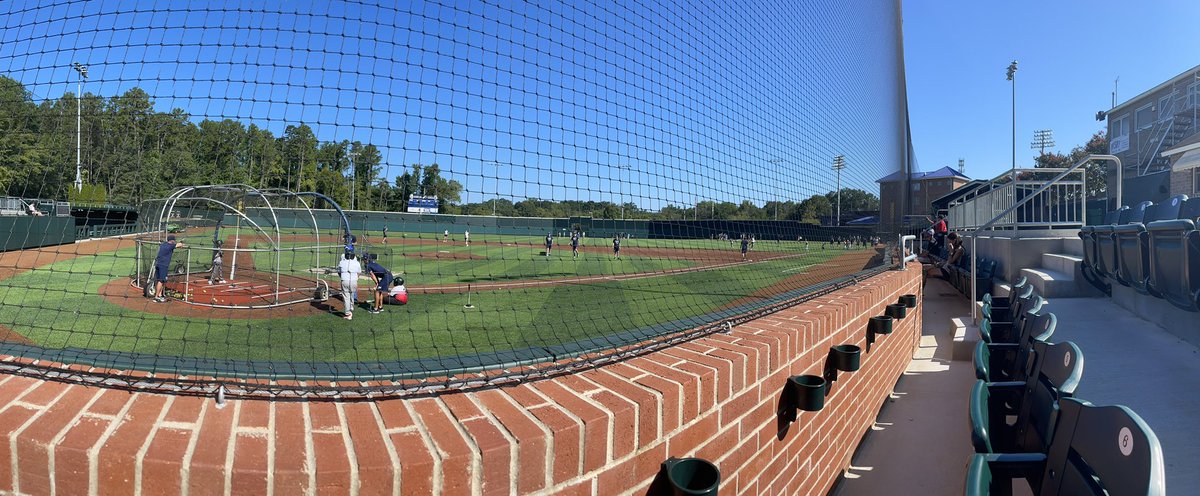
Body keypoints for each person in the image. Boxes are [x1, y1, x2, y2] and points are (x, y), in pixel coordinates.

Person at [153, 235, 187, 302]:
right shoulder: (170, 246)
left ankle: (160, 295)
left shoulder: (163, 245)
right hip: (163, 265)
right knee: (161, 280)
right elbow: (178, 245)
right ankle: (156, 297)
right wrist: (182, 243)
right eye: (173, 240)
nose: (174, 241)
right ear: (171, 241)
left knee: (161, 280)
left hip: (158, 264)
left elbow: (175, 245)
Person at [337, 251, 362, 320]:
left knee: (346, 297)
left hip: (344, 280)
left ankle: (348, 314)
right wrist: (356, 279)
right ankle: (351, 307)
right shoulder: (357, 263)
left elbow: (339, 272)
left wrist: (342, 277)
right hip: (354, 281)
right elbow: (359, 272)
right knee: (352, 294)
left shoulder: (342, 262)